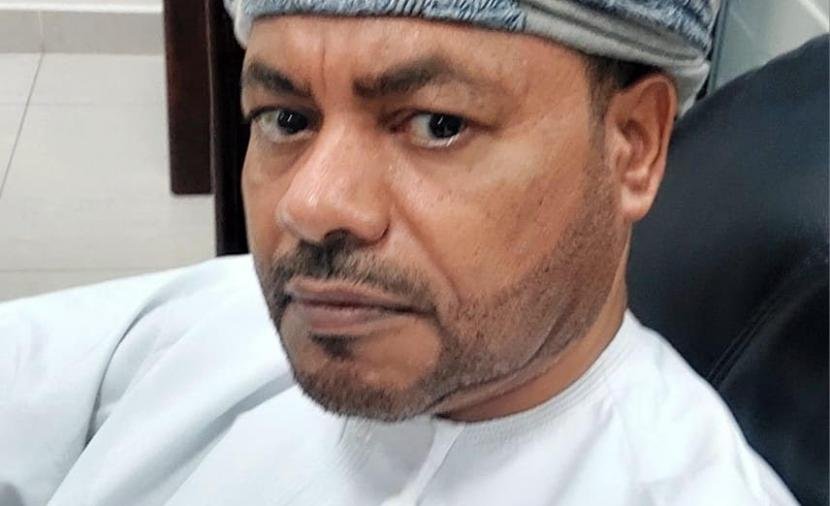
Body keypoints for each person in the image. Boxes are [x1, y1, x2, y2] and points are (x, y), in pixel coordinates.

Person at [0, 1, 799, 504]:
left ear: (633, 147)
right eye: (285, 119)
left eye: (436, 125)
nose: (311, 207)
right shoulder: (207, 326)